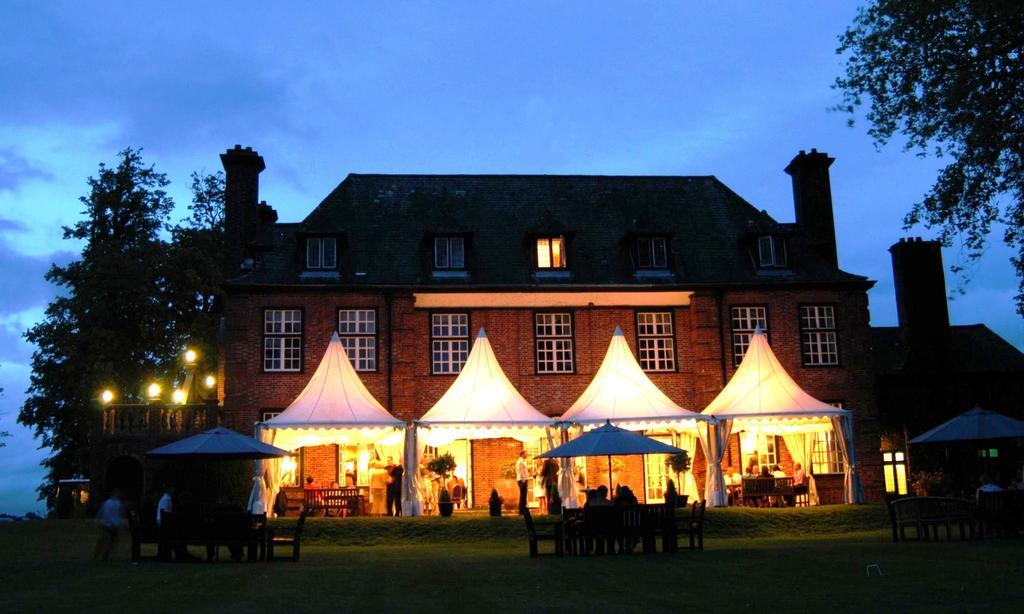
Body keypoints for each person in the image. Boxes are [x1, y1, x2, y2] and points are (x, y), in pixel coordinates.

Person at [93, 489, 127, 561]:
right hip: (113, 525)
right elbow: (120, 514)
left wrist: (98, 520)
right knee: (111, 542)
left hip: (106, 524)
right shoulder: (118, 503)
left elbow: (102, 513)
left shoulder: (107, 503)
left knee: (103, 541)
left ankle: (98, 555)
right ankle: (105, 556)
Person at [515, 450, 530, 514]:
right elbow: (521, 472)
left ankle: (523, 509)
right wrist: (524, 481)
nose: (527, 455)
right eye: (526, 454)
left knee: (523, 495)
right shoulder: (520, 462)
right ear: (522, 454)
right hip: (522, 480)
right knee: (523, 495)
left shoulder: (522, 461)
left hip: (523, 480)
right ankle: (521, 510)